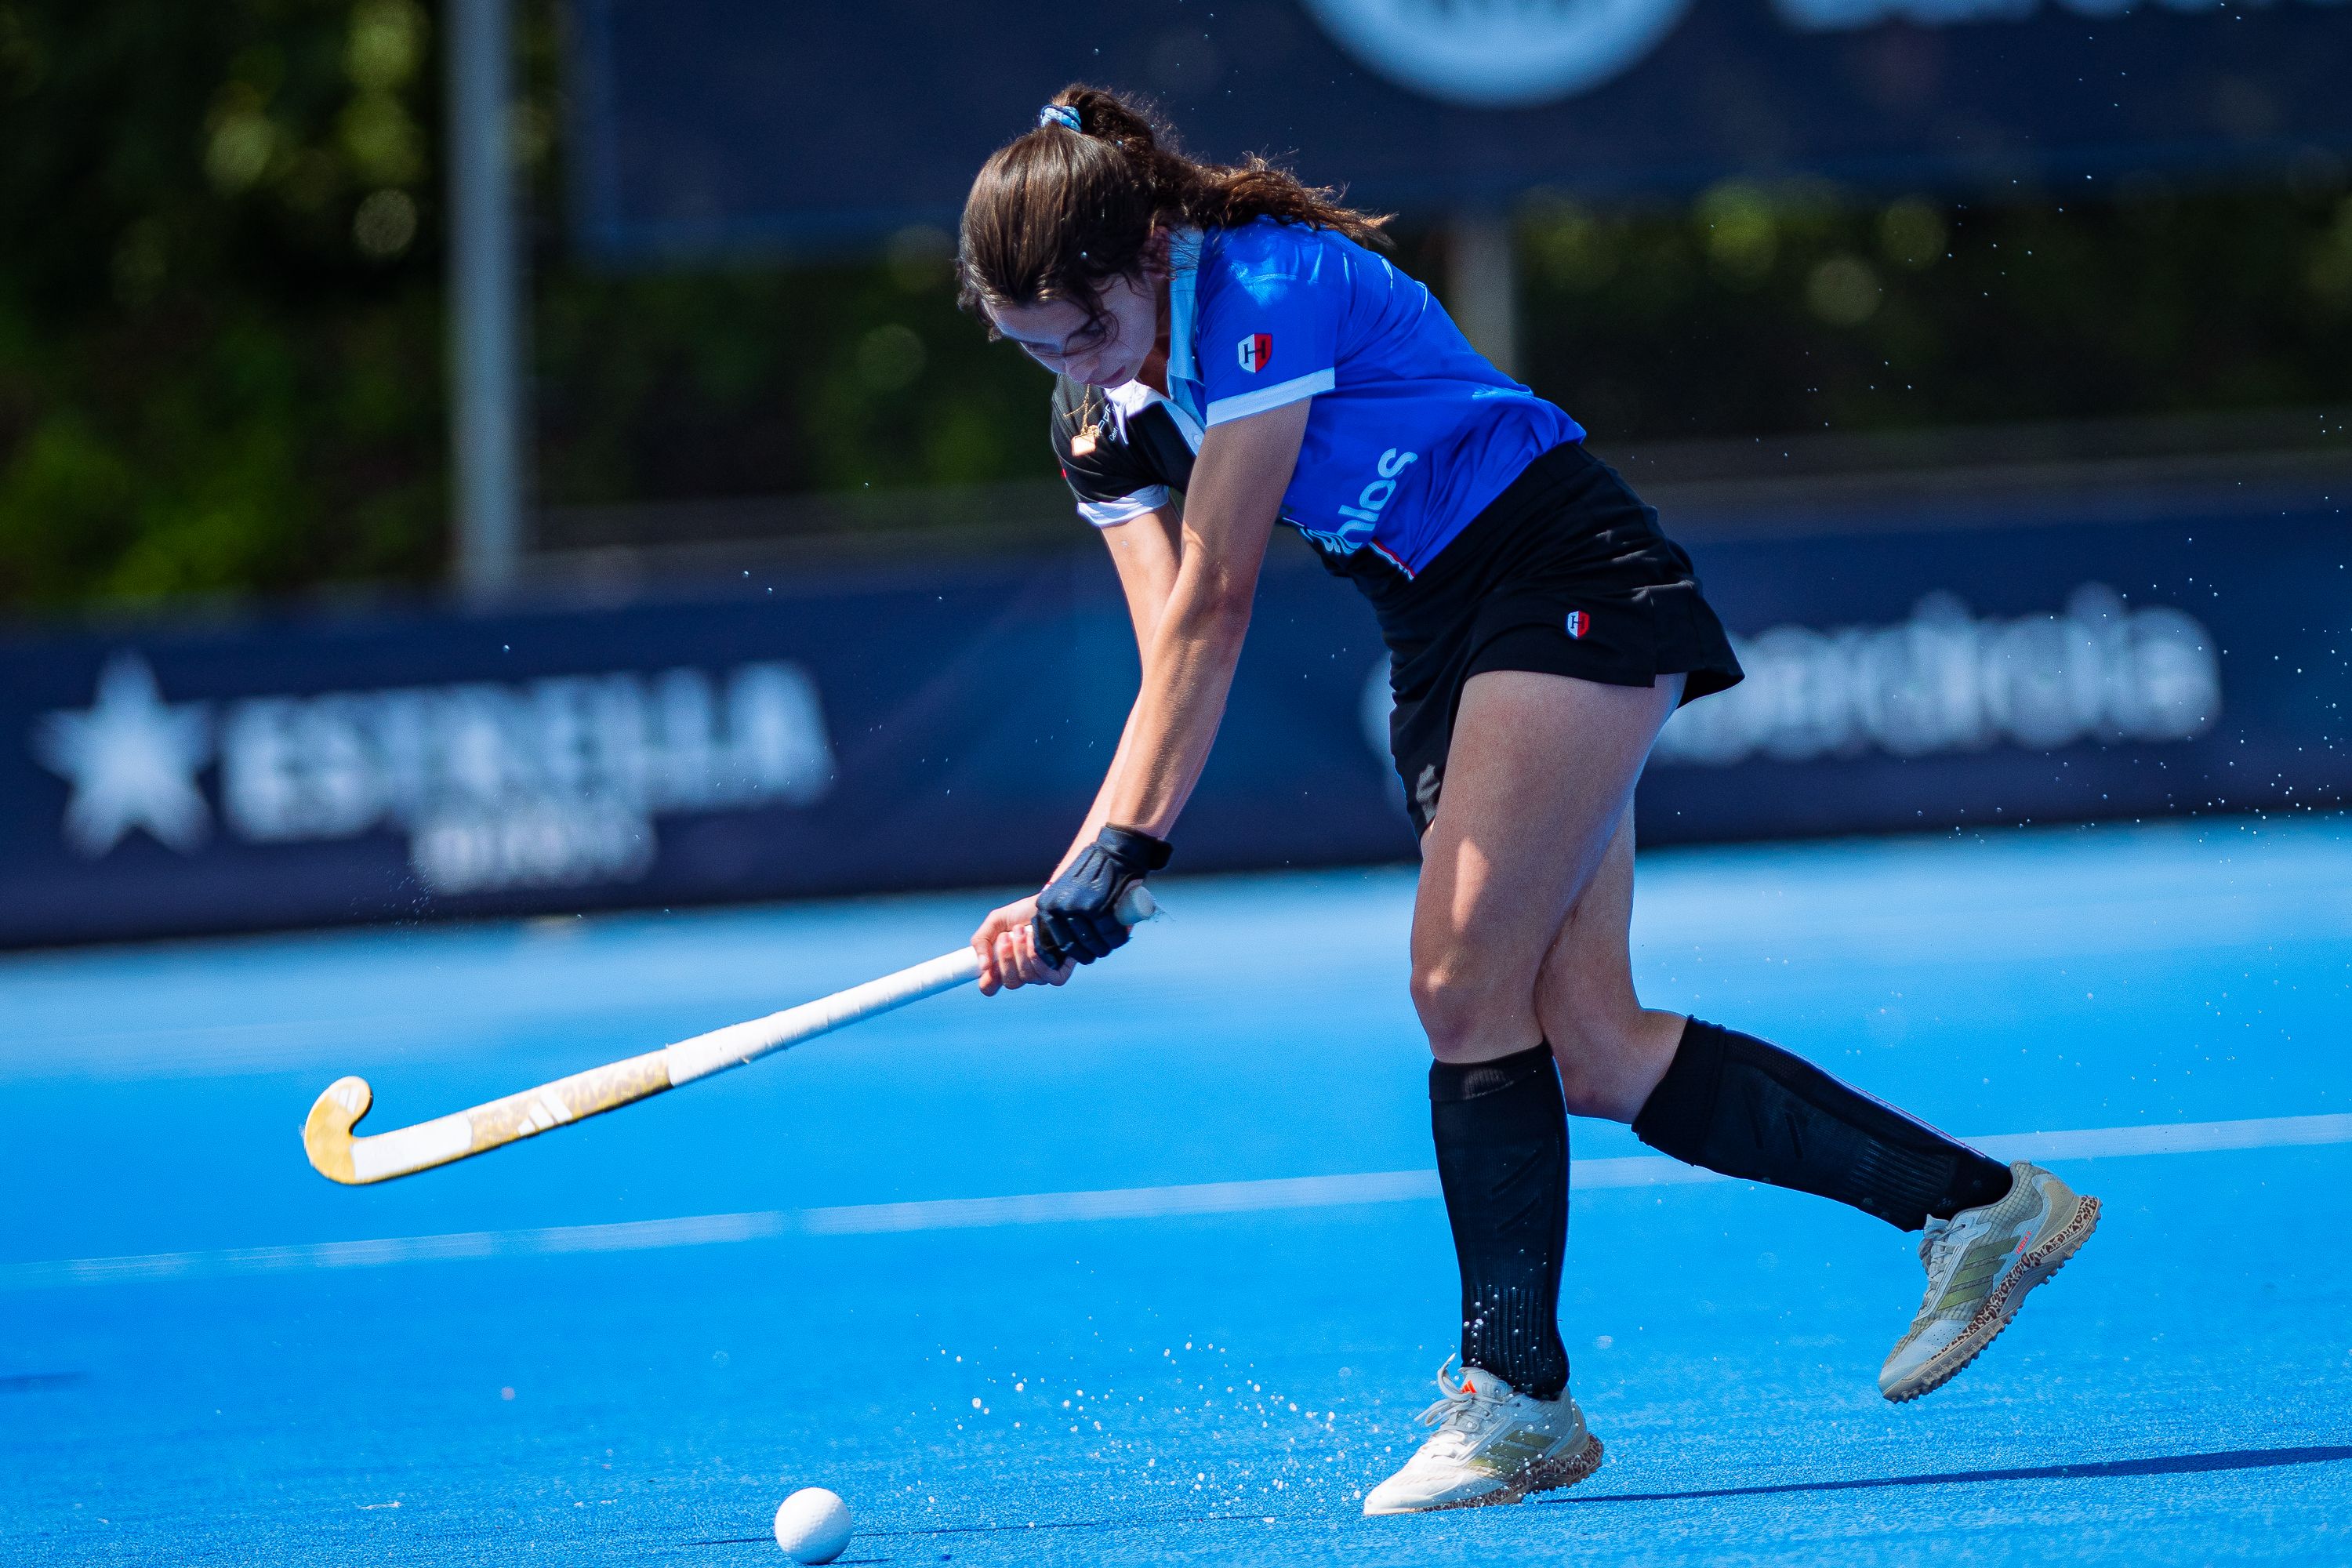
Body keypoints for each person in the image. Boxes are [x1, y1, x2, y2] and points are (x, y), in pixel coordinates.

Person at [956, 86, 2100, 1516]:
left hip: (1557, 571)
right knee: (1592, 1050)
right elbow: (1165, 644)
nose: (1074, 371)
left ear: (1141, 254)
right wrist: (1085, 872)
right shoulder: (1101, 418)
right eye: (1035, 354)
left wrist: (1119, 853)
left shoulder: (1263, 287)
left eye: (1084, 333)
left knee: (1457, 980)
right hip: (1440, 634)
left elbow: (1222, 604)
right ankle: (1982, 1211)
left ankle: (1515, 1399)